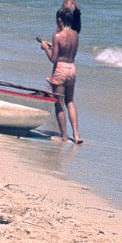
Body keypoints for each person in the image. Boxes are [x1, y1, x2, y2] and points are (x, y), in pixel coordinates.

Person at [39, 8, 81, 144]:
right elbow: (69, 51)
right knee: (70, 101)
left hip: (61, 70)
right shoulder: (75, 34)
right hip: (72, 68)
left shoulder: (57, 36)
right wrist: (52, 46)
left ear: (59, 19)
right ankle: (76, 135)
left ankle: (63, 136)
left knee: (59, 103)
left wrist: (46, 48)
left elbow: (54, 59)